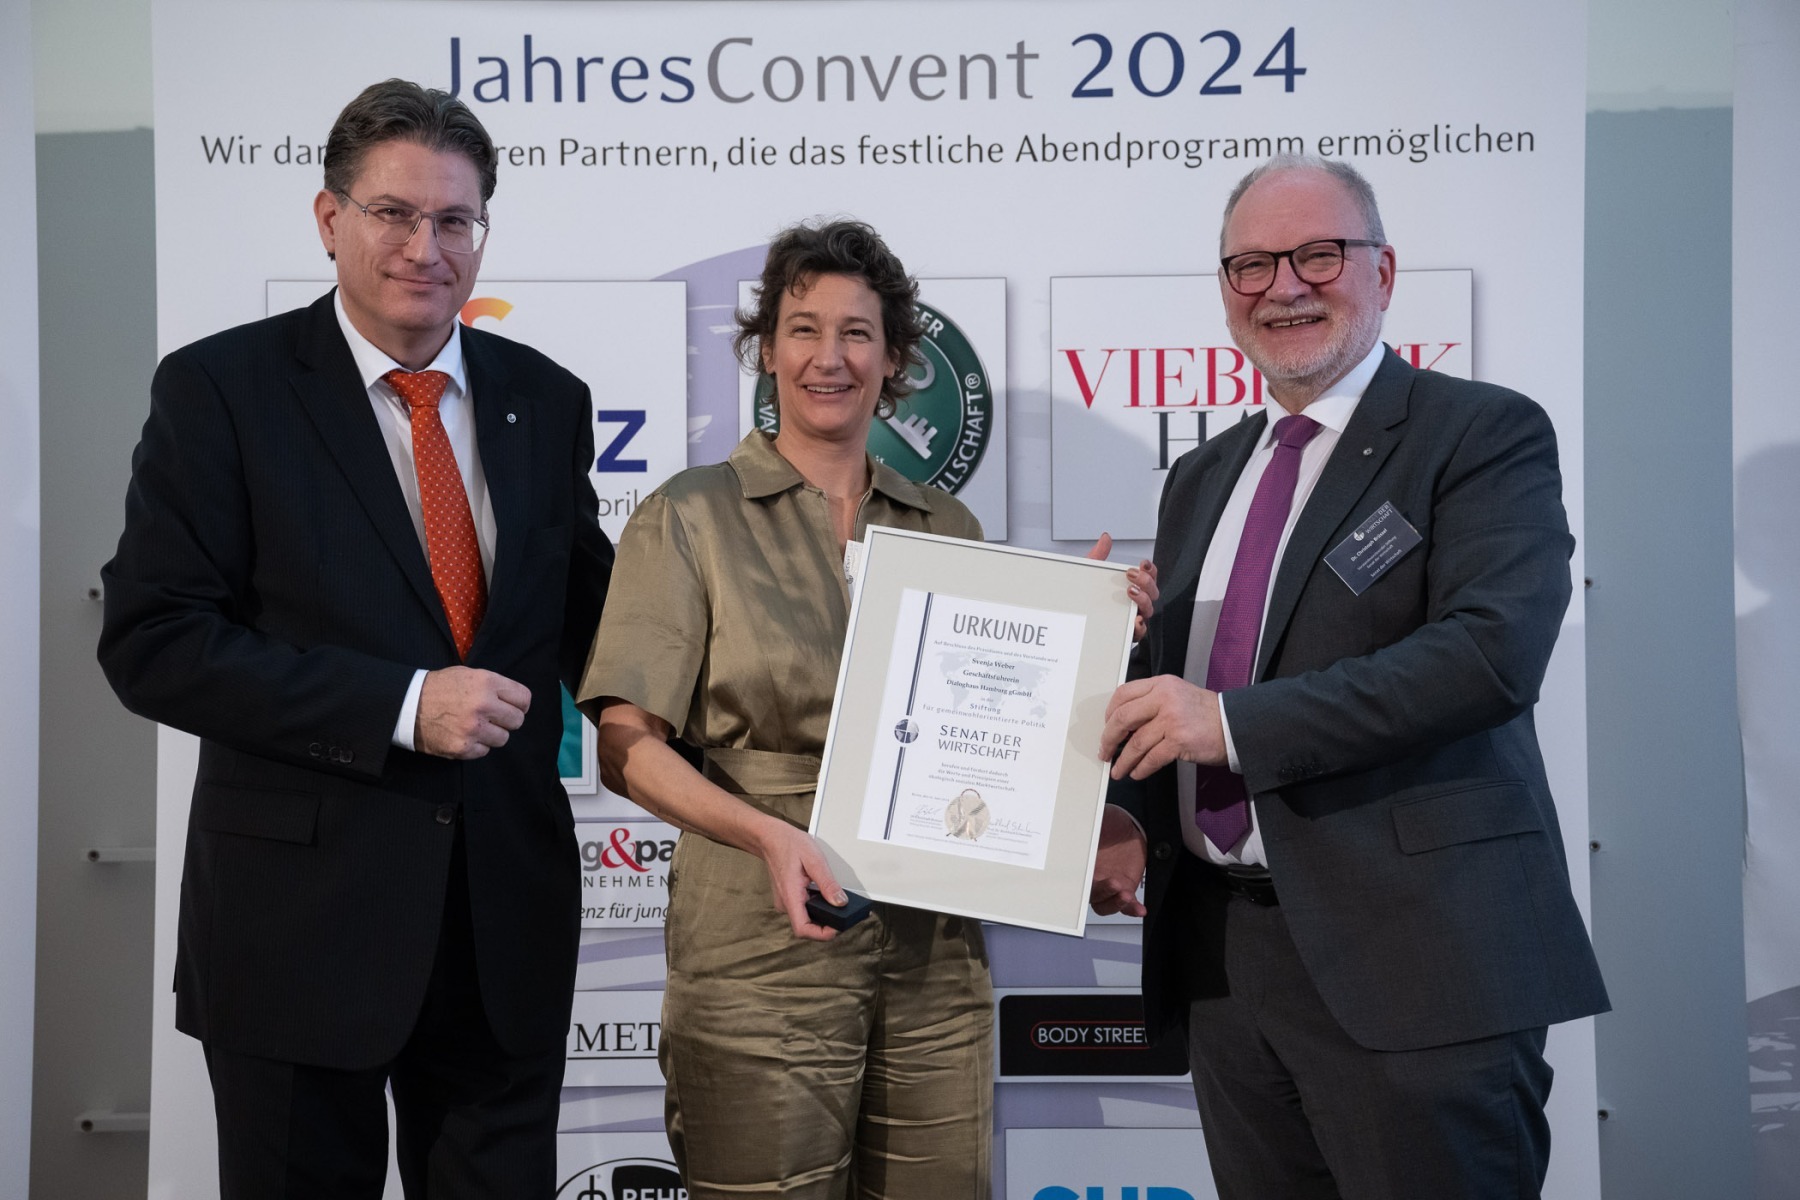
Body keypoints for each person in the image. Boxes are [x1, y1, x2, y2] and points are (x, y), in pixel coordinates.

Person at [98, 79, 612, 1197]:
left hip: (502, 928)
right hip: (297, 930)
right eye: (394, 213)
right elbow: (154, 640)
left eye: (455, 219)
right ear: (330, 219)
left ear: (482, 233)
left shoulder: (546, 399)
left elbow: (603, 632)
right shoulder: (221, 390)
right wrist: (402, 704)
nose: (426, 247)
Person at [580, 218, 1152, 1200]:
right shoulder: (690, 514)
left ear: (894, 361)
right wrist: (767, 835)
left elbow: (994, 743)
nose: (829, 357)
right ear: (767, 349)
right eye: (803, 329)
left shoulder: (949, 526)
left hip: (935, 958)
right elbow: (626, 746)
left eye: (857, 333)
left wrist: (1088, 635)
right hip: (757, 946)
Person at [1091, 156, 1609, 1199]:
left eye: (1318, 255)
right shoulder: (1202, 477)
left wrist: (1230, 726)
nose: (1283, 286)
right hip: (1226, 962)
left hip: (1418, 958)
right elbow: (1187, 686)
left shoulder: (1480, 432)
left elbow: (1489, 655)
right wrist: (1127, 806)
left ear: (1384, 271)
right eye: (1251, 265)